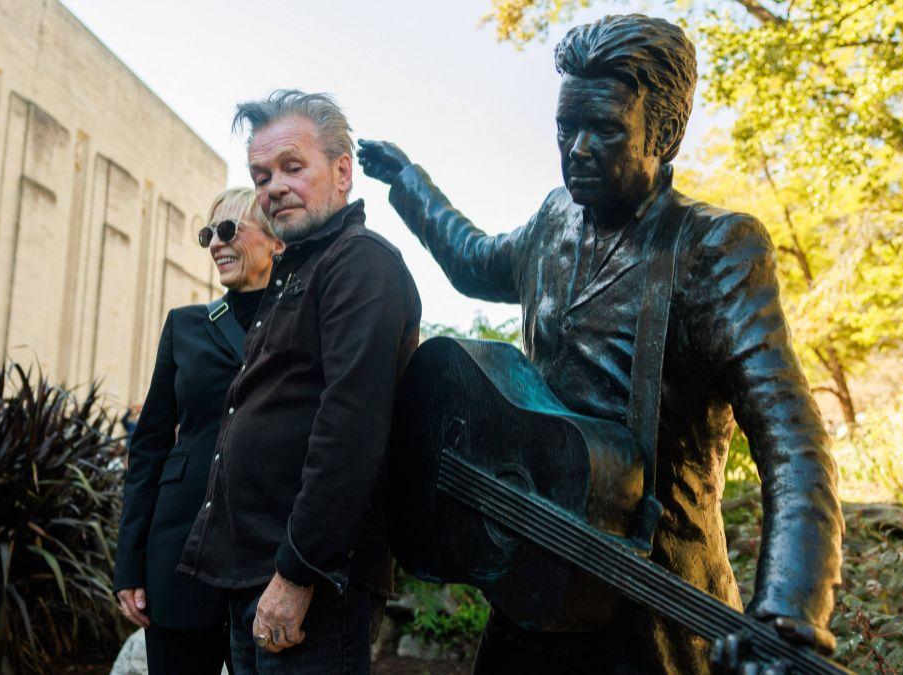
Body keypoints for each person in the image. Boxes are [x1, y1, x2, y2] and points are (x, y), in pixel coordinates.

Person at [358, 14, 843, 675]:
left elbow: (792, 436)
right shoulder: (552, 221)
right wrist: (408, 182)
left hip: (652, 612)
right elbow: (473, 260)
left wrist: (790, 609)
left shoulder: (714, 250)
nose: (578, 149)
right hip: (533, 588)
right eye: (566, 127)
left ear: (665, 136)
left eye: (606, 130)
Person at [177, 90, 422, 674]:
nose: (274, 188)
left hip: (311, 586)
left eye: (292, 167)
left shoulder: (361, 263)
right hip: (253, 575)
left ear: (342, 172)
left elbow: (351, 432)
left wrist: (297, 572)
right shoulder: (293, 274)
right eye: (261, 176)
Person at [113, 187, 284, 674]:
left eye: (229, 229)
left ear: (277, 242)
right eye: (209, 234)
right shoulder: (184, 326)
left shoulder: (303, 323)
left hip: (267, 562)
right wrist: (129, 564)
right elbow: (148, 448)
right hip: (178, 556)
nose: (216, 243)